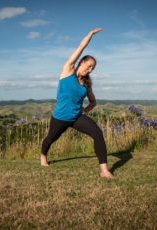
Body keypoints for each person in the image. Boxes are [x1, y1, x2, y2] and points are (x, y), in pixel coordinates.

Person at [40, 28, 114, 178]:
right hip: (60, 117)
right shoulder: (68, 71)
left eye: (93, 67)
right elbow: (81, 47)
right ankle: (43, 156)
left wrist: (85, 111)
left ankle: (104, 171)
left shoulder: (86, 84)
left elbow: (93, 102)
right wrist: (90, 35)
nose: (91, 69)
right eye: (89, 65)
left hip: (76, 117)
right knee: (51, 139)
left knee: (98, 134)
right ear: (81, 62)